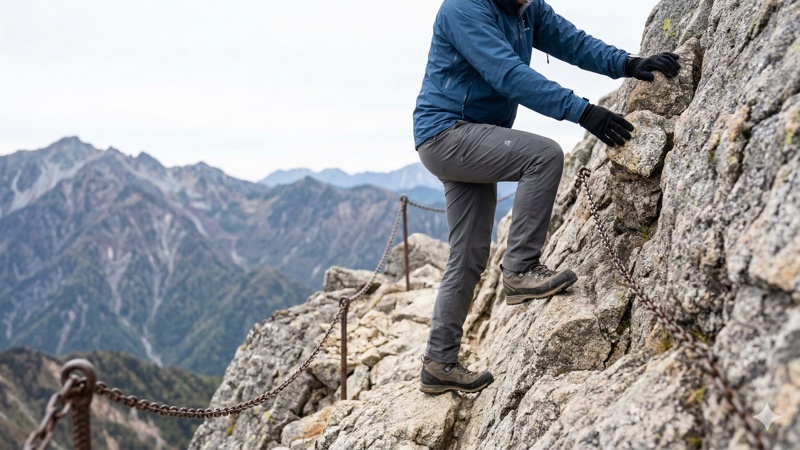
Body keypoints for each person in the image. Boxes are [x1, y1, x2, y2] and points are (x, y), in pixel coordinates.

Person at [414, 0, 680, 394]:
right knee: (542, 155)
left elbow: (573, 43)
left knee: (469, 255)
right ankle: (520, 270)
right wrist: (584, 112)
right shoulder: (463, 9)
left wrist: (627, 63)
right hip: (447, 133)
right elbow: (509, 74)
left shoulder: (527, 8)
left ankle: (439, 363)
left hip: (470, 133)